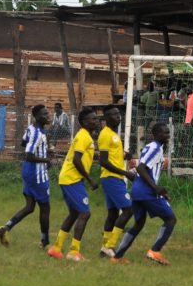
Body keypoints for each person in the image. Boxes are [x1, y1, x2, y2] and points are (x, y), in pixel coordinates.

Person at [111, 122, 175, 265]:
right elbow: (141, 168)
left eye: (168, 132)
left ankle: (117, 257)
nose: (168, 135)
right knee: (170, 219)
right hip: (147, 191)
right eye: (165, 132)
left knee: (139, 223)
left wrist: (159, 190)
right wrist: (155, 188)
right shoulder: (155, 148)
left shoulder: (151, 147)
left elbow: (142, 169)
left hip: (138, 190)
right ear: (156, 134)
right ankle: (155, 251)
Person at [47, 107, 99, 262]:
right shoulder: (83, 136)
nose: (96, 121)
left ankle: (56, 248)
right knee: (85, 213)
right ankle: (74, 252)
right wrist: (89, 179)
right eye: (93, 119)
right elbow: (76, 159)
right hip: (72, 179)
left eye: (96, 118)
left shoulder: (86, 136)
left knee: (75, 213)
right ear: (84, 122)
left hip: (69, 178)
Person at [0, 104, 52, 248]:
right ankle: (45, 241)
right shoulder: (37, 133)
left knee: (30, 206)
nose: (48, 116)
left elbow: (23, 142)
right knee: (45, 208)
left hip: (28, 171)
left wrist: (43, 149)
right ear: (36, 116)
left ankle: (5, 228)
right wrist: (46, 160)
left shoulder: (31, 128)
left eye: (48, 113)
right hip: (37, 174)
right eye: (44, 114)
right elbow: (28, 155)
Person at [97, 105, 137, 259]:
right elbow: (103, 161)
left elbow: (113, 156)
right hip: (111, 178)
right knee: (128, 210)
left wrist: (124, 156)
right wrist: (126, 173)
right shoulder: (105, 134)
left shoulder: (114, 134)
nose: (118, 117)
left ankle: (104, 248)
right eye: (114, 115)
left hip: (114, 178)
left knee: (113, 213)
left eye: (119, 114)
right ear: (107, 118)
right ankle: (110, 245)